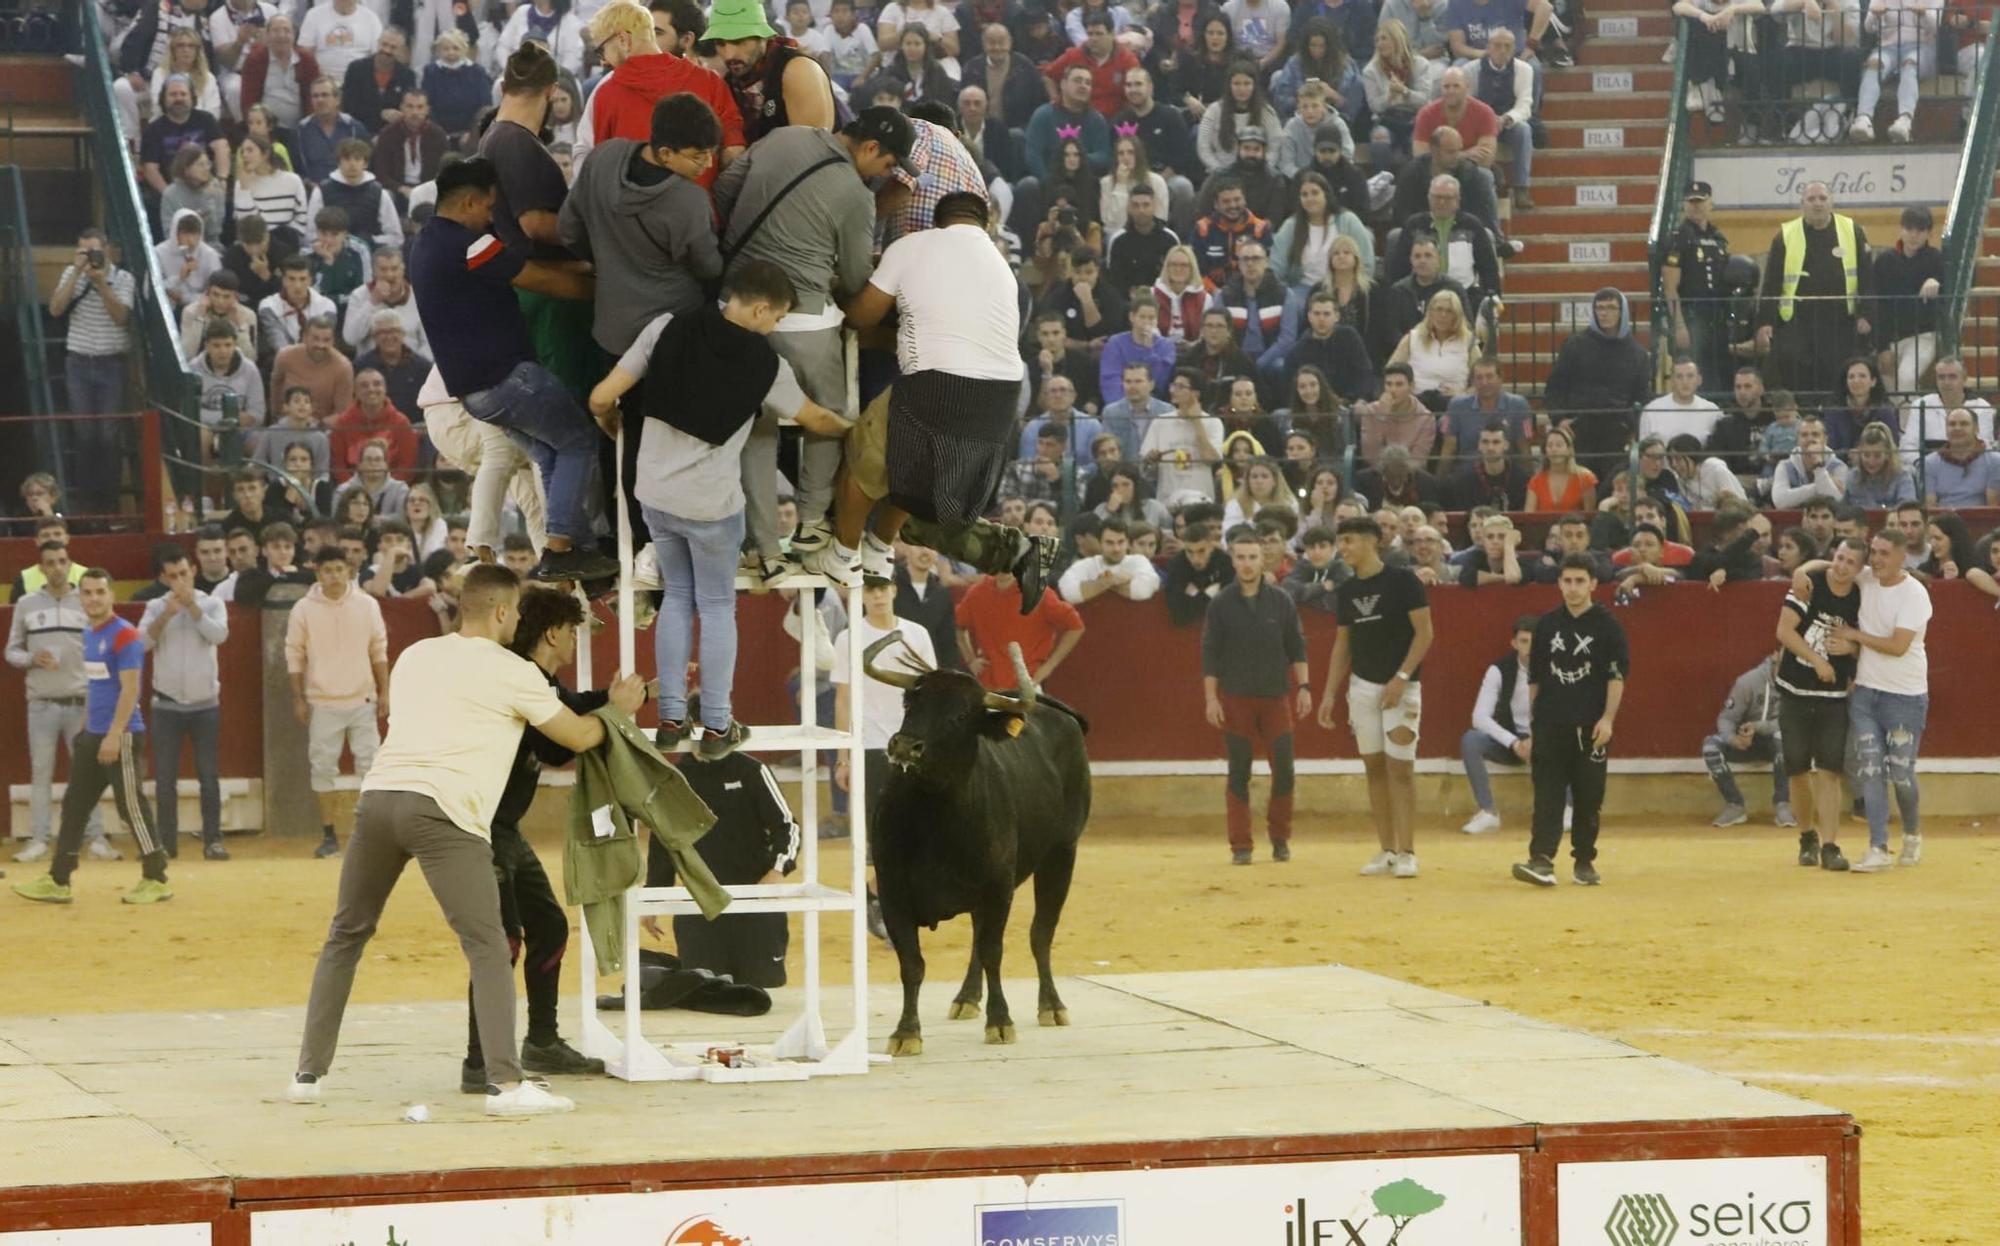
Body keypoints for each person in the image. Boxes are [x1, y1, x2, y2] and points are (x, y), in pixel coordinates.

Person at [291, 564, 646, 1115]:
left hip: (379, 800)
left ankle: (308, 1075)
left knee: (346, 935)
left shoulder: (415, 655)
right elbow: (574, 737)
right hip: (446, 812)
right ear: (504, 612)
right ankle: (505, 1084)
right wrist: (618, 711)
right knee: (486, 944)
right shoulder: (512, 669)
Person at [590, 261, 846, 756]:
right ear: (759, 308)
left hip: (655, 497)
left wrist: (606, 420)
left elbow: (601, 395)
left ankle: (668, 718)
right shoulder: (766, 364)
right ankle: (716, 726)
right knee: (716, 607)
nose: (774, 329)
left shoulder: (666, 328)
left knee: (676, 599)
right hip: (711, 506)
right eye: (776, 319)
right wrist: (853, 431)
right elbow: (813, 418)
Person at [836, 192, 1056, 605]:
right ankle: (882, 549)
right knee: (922, 498)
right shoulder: (1005, 271)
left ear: (937, 223)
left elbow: (859, 316)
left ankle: (843, 556)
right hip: (1000, 403)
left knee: (864, 465)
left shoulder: (913, 245)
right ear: (988, 224)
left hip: (940, 387)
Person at [714, 109, 906, 582]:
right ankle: (812, 521)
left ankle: (763, 544)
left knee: (756, 425)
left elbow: (723, 189)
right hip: (803, 320)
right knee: (831, 410)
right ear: (869, 149)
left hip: (734, 309)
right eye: (887, 166)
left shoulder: (782, 138)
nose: (884, 177)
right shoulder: (857, 196)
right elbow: (859, 278)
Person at [407, 156, 615, 583]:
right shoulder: (470, 244)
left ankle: (575, 549)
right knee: (578, 440)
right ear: (468, 203)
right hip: (507, 378)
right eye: (487, 208)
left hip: (473, 394)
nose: (490, 218)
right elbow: (539, 280)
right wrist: (610, 290)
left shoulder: (427, 242)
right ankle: (562, 546)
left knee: (545, 451)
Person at [455, 587, 612, 1092]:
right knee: (499, 944)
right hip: (478, 824)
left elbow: (567, 706)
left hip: (500, 826)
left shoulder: (532, 678)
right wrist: (617, 709)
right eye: (570, 632)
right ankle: (481, 1063)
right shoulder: (519, 679)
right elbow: (556, 746)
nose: (573, 642)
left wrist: (625, 699)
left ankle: (541, 1040)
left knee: (546, 925)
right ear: (552, 632)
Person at [12, 570, 171, 906]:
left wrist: (114, 735)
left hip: (121, 735)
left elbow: (131, 690)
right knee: (75, 805)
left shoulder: (124, 635)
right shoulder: (89, 633)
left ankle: (156, 877)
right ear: (80, 597)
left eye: (100, 592)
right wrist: (87, 730)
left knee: (132, 808)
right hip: (94, 734)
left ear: (111, 595)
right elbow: (96, 688)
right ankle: (59, 879)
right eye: (88, 593)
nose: (94, 598)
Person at [1316, 516, 1433, 879]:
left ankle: (1407, 851)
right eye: (1342, 541)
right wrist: (1329, 693)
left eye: (1349, 540)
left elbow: (1425, 634)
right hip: (1363, 687)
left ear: (1371, 541)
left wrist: (1401, 677)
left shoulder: (1403, 581)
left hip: (1402, 687)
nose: (1343, 548)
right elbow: (1342, 645)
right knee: (1374, 768)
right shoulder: (1348, 591)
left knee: (1401, 769)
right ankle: (1386, 849)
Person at [1512, 553, 1627, 888]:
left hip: (1591, 726)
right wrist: (1535, 722)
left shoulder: (1608, 626)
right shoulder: (1546, 625)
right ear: (1559, 583)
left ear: (1593, 584)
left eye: (1580, 581)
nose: (1573, 588)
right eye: (1567, 581)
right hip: (1551, 724)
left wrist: (1608, 719)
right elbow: (1535, 677)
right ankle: (1541, 859)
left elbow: (1616, 677)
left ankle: (1584, 859)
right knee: (1546, 794)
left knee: (1589, 796)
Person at [1203, 528, 1310, 865]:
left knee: (1285, 770)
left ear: (1263, 559)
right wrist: (1211, 698)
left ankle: (1280, 838)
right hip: (1236, 699)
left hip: (1275, 697)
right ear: (1232, 560)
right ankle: (1241, 845)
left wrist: (1305, 687)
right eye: (1240, 557)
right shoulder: (1220, 604)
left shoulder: (1281, 601)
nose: (1247, 564)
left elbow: (1297, 646)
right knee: (1239, 772)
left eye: (1252, 557)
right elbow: (1210, 654)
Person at [6, 541, 115, 863]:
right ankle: (39, 838)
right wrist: (31, 658)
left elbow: (102, 647)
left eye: (62, 561)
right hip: (41, 702)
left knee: (88, 774)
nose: (57, 567)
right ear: (41, 568)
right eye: (50, 562)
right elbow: (11, 650)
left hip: (81, 700)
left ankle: (95, 836)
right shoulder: (26, 604)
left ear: (69, 564)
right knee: (41, 773)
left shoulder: (86, 602)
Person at [1834, 528, 1932, 873]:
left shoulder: (1915, 594)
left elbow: (1897, 646)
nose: (1875, 559)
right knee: (1871, 770)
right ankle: (1877, 846)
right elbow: (1833, 568)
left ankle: (1913, 833)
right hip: (1867, 691)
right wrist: (1804, 571)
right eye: (1873, 552)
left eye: (1883, 553)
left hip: (1905, 696)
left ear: (1903, 556)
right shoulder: (1868, 578)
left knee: (1902, 775)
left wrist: (1854, 636)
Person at [285, 544, 390, 859]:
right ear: (318, 572)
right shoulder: (303, 609)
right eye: (327, 570)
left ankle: (369, 834)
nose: (333, 576)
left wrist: (385, 691)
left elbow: (378, 649)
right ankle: (329, 834)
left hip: (363, 697)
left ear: (350, 571)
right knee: (323, 767)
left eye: (339, 569)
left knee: (370, 768)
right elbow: (294, 654)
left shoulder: (367, 605)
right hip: (323, 701)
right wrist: (298, 698)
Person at [576, 0, 745, 183]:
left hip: (630, 209)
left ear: (624, 40)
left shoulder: (606, 93)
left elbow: (598, 169)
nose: (603, 62)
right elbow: (734, 153)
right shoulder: (710, 82)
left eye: (602, 51)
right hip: (697, 206)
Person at [1777, 536, 1864, 871]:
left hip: (1833, 696)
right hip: (1796, 689)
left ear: (1859, 569)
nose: (1842, 567)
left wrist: (1854, 650)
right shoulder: (1810, 583)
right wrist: (1818, 660)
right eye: (1839, 559)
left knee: (1829, 771)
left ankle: (1829, 845)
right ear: (1833, 557)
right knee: (1797, 769)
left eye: (1850, 563)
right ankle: (1807, 835)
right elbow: (1785, 631)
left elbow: (1867, 640)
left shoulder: (1860, 597)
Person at [139, 549, 231, 861]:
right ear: (163, 578)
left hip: (205, 705)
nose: (179, 581)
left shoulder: (211, 602)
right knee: (165, 780)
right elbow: (141, 644)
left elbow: (219, 636)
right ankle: (166, 843)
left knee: (209, 776)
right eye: (172, 576)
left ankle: (213, 840)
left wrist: (192, 608)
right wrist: (167, 613)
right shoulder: (155, 607)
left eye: (183, 574)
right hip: (166, 705)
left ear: (192, 571)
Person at [1755, 182, 1873, 400]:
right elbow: (1772, 282)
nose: (1817, 204)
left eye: (1822, 198)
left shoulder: (1852, 231)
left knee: (1837, 380)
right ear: (1802, 204)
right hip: (1797, 322)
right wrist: (1765, 323)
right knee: (1798, 380)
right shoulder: (1785, 235)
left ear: (1831, 202)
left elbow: (1867, 278)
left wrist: (1866, 314)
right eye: (1811, 199)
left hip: (1840, 323)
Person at [49, 229, 137, 517]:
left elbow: (121, 316)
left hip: (111, 363)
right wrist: (76, 273)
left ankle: (109, 502)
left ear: (107, 250)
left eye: (94, 252)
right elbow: (55, 309)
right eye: (83, 252)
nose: (89, 258)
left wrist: (101, 285)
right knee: (84, 433)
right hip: (79, 363)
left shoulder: (123, 279)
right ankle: (86, 503)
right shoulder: (70, 275)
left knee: (109, 435)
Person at [1543, 287, 1652, 476]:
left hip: (1617, 431)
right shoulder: (1575, 345)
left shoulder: (1638, 354)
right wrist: (1560, 419)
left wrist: (1633, 427)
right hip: (1579, 428)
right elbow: (1555, 387)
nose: (1604, 313)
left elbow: (1641, 396)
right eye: (1599, 308)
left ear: (1622, 312)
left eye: (1611, 308)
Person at [710, 0, 840, 143]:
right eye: (720, 44)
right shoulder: (731, 82)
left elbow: (812, 151)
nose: (729, 55)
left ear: (764, 38)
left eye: (740, 42)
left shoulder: (797, 70)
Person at [1459, 615, 1537, 836]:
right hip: (1509, 740)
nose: (1529, 648)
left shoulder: (1556, 670)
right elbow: (1479, 717)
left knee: (1571, 735)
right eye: (1523, 641)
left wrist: (1536, 739)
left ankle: (1566, 809)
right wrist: (1514, 743)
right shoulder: (1498, 670)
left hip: (1543, 740)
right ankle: (1488, 812)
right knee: (1471, 740)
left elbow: (1563, 712)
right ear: (1514, 643)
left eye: (1535, 641)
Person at [1704, 651, 1793, 830]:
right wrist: (1733, 739)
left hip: (1778, 743)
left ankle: (1783, 804)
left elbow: (1791, 722)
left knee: (1785, 737)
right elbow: (1727, 718)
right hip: (1746, 741)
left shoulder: (1800, 684)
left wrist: (1757, 726)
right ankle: (1734, 804)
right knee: (1710, 746)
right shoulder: (1748, 682)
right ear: (1775, 658)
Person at [955, 570, 1086, 691]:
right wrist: (971, 660)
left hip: (1026, 688)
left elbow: (1076, 626)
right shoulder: (978, 592)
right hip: (987, 688)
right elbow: (958, 626)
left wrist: (1048, 667)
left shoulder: (1037, 594)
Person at [1662, 181, 1732, 392]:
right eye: (1691, 202)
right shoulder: (1679, 238)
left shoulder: (1719, 238)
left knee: (1718, 373)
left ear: (1711, 203)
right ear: (1684, 205)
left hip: (1717, 316)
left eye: (1701, 201)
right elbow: (1670, 286)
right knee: (1694, 376)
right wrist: (1680, 325)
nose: (1696, 206)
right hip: (1692, 315)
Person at [1057, 516, 1162, 603]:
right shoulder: (1086, 564)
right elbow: (1068, 593)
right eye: (1109, 543)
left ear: (1127, 543)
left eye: (1121, 542)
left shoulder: (1139, 561)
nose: (1116, 549)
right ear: (1100, 543)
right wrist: (1110, 580)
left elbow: (1142, 591)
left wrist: (1098, 583)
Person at [1921, 407, 2000, 509]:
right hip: (1943, 522)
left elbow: (1992, 507)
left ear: (1976, 429)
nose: (1957, 428)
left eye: (1964, 424)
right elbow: (1930, 507)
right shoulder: (1929, 463)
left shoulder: (1995, 461)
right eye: (1952, 424)